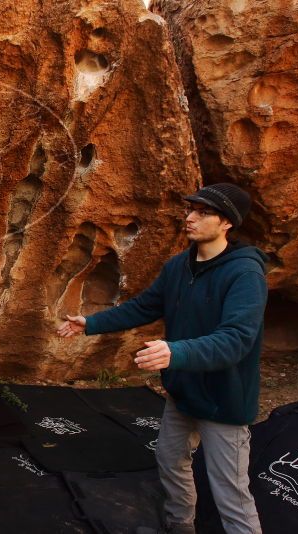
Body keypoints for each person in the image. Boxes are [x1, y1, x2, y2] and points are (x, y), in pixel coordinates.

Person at [57, 183, 267, 534]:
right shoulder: (179, 266)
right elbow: (145, 307)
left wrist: (177, 352)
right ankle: (179, 526)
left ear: (227, 222)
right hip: (184, 391)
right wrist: (90, 323)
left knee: (230, 493)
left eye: (203, 212)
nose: (190, 217)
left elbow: (236, 340)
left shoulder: (244, 273)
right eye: (190, 209)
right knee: (171, 461)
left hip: (223, 400)